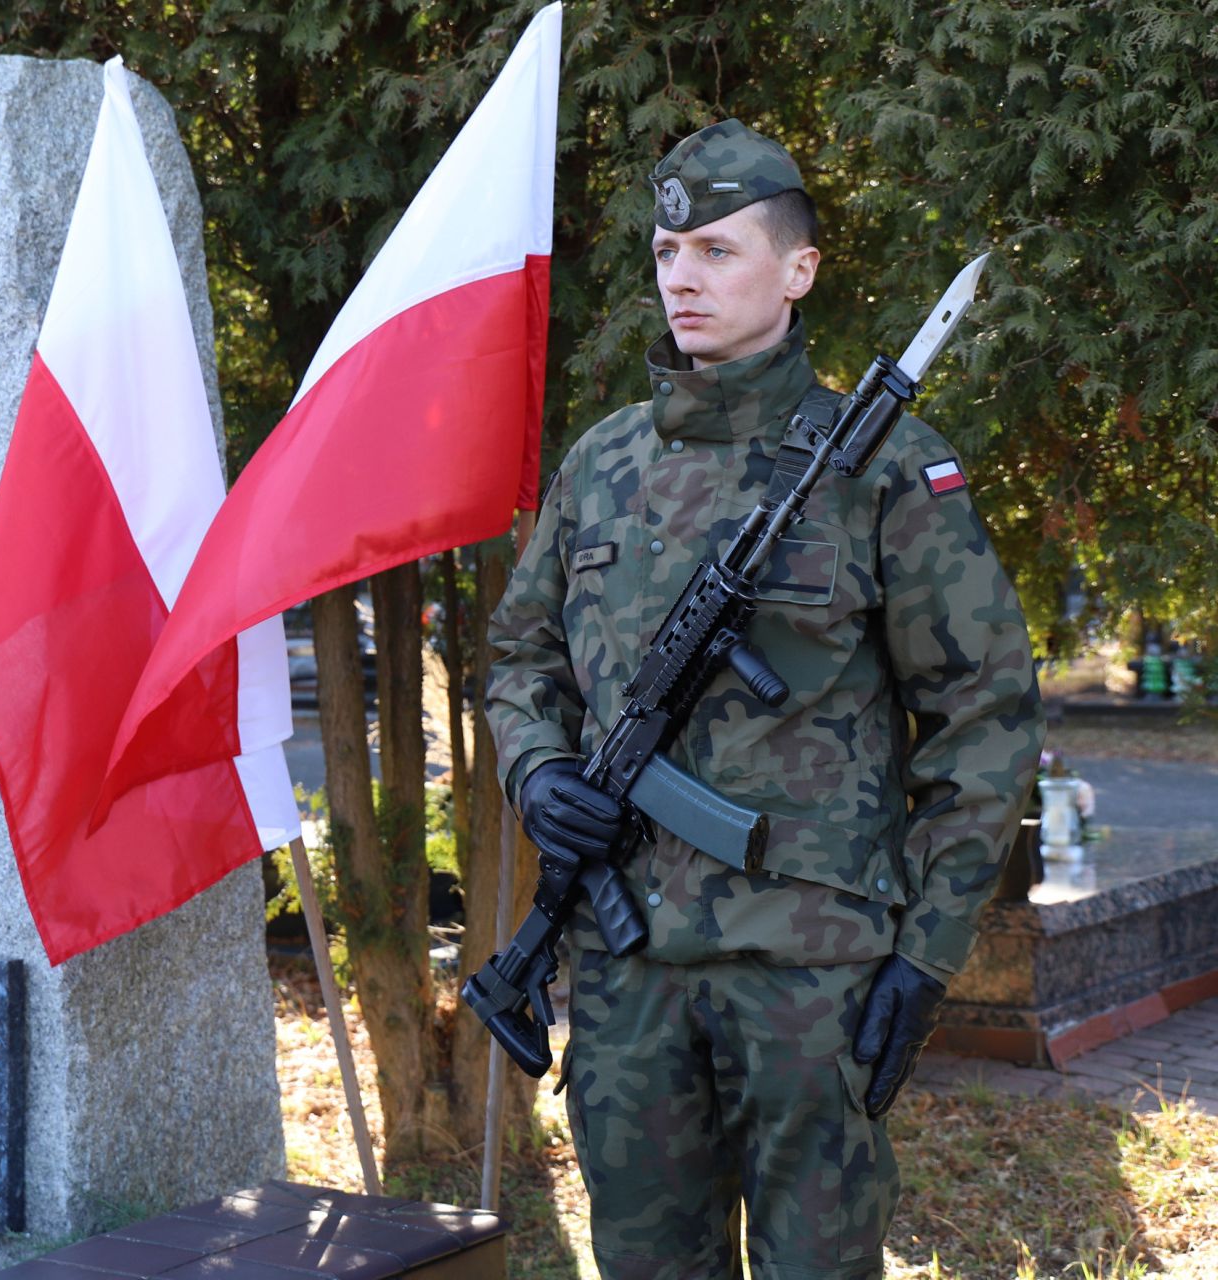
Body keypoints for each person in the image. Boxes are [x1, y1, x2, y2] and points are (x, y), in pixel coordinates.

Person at [485, 119, 1045, 1280]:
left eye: (717, 250)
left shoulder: (885, 464)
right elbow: (521, 655)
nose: (681, 276)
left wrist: (925, 953)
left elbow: (984, 711)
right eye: (666, 250)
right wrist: (538, 769)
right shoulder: (601, 464)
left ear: (799, 270)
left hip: (811, 971)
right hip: (627, 974)